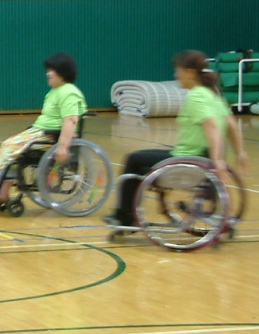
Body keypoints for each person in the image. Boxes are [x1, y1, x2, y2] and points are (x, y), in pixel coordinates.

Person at [105, 50, 249, 227]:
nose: (176, 75)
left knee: (133, 160)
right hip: (197, 158)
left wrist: (218, 160)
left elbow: (211, 125)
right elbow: (232, 125)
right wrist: (240, 152)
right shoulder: (213, 95)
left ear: (190, 73)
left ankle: (125, 217)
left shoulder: (196, 96)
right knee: (143, 158)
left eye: (178, 70)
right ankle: (129, 215)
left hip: (188, 160)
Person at [0, 52, 85, 204]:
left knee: (10, 146)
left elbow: (71, 119)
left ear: (63, 72)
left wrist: (63, 147)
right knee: (13, 150)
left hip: (50, 137)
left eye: (52, 70)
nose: (48, 74)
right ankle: (0, 190)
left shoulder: (68, 92)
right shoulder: (55, 92)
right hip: (42, 133)